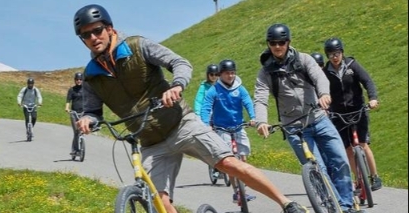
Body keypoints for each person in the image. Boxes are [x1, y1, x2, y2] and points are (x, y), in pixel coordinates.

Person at [72, 4, 308, 213]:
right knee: (158, 200)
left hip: (181, 123)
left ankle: (287, 203)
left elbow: (179, 63)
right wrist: (87, 120)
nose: (93, 37)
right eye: (86, 35)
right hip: (150, 142)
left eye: (97, 30)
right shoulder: (92, 75)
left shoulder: (137, 46)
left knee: (229, 163)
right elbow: (92, 111)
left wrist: (176, 86)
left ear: (110, 28)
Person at [253, 23, 363, 213]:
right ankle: (335, 208)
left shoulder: (303, 59)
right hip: (294, 127)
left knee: (340, 160)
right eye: (273, 43)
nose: (277, 46)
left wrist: (323, 94)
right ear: (268, 44)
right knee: (317, 170)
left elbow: (320, 77)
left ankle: (347, 205)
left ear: (288, 42)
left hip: (318, 118)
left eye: (281, 42)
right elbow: (260, 97)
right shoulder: (265, 72)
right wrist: (262, 120)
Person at [322, 37, 382, 191]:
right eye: (331, 55)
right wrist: (324, 108)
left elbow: (367, 81)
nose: (334, 57)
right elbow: (320, 92)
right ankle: (358, 180)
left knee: (363, 144)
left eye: (337, 53)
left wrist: (373, 99)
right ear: (327, 55)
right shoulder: (325, 72)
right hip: (338, 114)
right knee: (348, 148)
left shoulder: (352, 65)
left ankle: (375, 176)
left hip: (358, 110)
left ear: (342, 52)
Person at [201, 59, 257, 202]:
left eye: (232, 73)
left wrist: (253, 117)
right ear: (220, 74)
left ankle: (245, 188)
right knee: (230, 161)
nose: (230, 76)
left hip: (238, 126)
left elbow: (247, 102)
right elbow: (206, 107)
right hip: (222, 128)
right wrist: (205, 124)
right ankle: (236, 192)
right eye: (227, 73)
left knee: (243, 158)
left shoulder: (240, 88)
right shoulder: (214, 90)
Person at [65, 72, 85, 156]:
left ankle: (81, 147)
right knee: (76, 131)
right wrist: (67, 108)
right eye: (77, 79)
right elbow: (68, 100)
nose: (79, 81)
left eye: (80, 79)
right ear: (75, 80)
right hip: (74, 113)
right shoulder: (72, 90)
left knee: (82, 130)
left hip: (83, 112)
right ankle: (75, 150)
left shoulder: (85, 89)